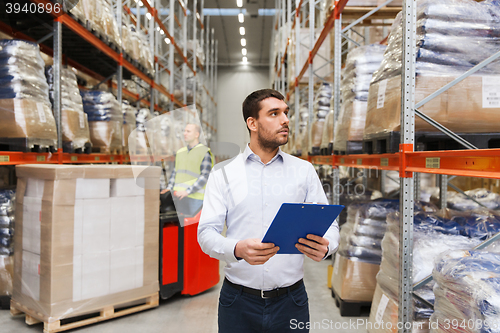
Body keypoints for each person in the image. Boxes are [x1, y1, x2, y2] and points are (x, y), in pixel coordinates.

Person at [198, 89, 340, 332]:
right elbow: (206, 233)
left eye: (286, 113)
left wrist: (328, 246)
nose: (285, 120)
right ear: (252, 123)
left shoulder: (303, 171)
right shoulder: (223, 173)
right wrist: (237, 249)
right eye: (274, 114)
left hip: (291, 301)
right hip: (238, 302)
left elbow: (330, 226)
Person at [162, 123, 214, 216]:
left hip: (196, 199)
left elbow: (205, 176)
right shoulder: (180, 152)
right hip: (179, 197)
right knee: (182, 229)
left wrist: (188, 191)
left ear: (196, 134)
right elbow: (175, 173)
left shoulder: (204, 152)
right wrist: (169, 188)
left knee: (194, 228)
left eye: (188, 131)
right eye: (184, 131)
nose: (184, 133)